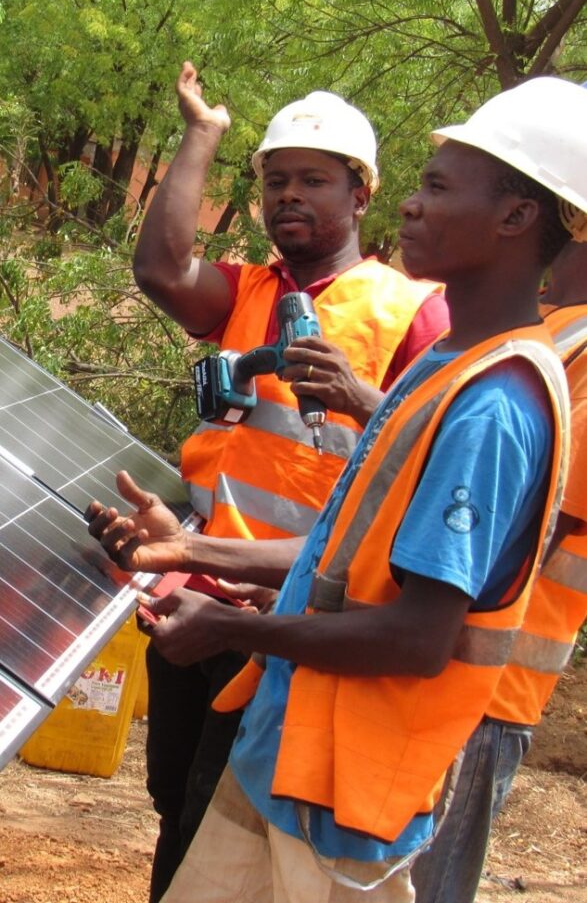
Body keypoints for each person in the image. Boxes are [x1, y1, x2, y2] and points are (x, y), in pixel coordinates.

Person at [87, 76, 587, 903]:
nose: (414, 208)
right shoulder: (448, 365)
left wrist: (237, 623)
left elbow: (418, 634)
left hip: (357, 767)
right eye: (273, 178)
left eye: (435, 186)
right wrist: (192, 549)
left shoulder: (488, 396)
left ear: (515, 217)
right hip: (296, 722)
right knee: (180, 825)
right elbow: (351, 555)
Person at [130, 61, 449, 901]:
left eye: (313, 180)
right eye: (275, 181)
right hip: (192, 591)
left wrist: (360, 396)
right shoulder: (248, 291)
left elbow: (435, 454)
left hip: (290, 620)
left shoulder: (406, 309)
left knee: (237, 828)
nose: (288, 198)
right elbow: (163, 272)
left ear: (360, 196)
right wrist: (202, 137)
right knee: (177, 805)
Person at [412, 238, 587, 903]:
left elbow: (531, 529)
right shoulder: (542, 324)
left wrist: (404, 625)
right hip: (430, 660)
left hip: (484, 684)